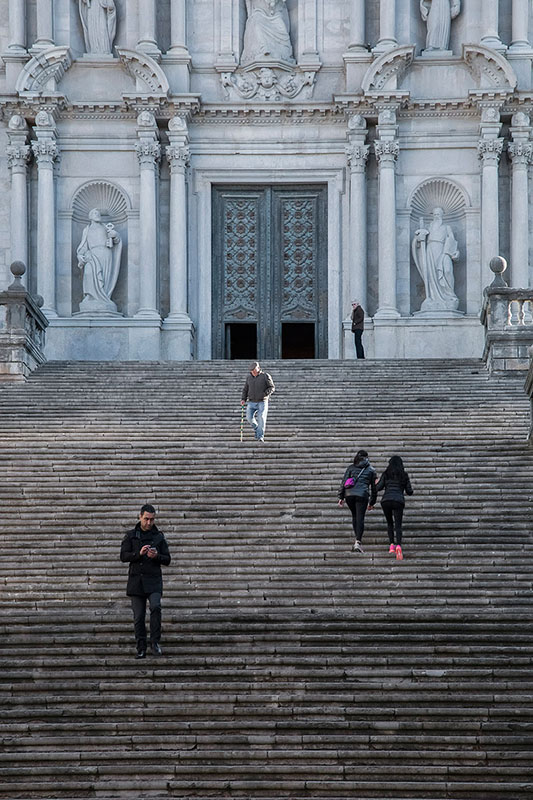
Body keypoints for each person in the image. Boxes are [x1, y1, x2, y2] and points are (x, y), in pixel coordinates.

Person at [120, 504, 171, 659]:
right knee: (138, 616)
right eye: (146, 519)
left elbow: (167, 559)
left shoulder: (159, 536)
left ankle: (155, 643)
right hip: (136, 582)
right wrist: (138, 554)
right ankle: (141, 647)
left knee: (156, 607)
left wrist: (156, 556)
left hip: (154, 581)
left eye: (152, 520)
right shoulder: (130, 535)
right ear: (140, 517)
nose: (149, 523)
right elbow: (123, 556)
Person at [412, 207, 460, 312]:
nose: (436, 216)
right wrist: (420, 238)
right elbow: (419, 242)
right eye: (434, 214)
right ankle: (433, 298)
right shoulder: (429, 227)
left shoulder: (446, 227)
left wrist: (454, 252)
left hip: (443, 251)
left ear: (442, 215)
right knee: (431, 275)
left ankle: (449, 295)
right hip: (430, 251)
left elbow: (451, 240)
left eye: (438, 214)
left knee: (447, 271)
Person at [77, 208, 122, 314]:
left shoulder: (105, 227)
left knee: (104, 278)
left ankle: (104, 296)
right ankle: (90, 297)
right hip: (92, 254)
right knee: (88, 273)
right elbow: (83, 245)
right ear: (90, 216)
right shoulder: (87, 229)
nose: (97, 215)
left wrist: (115, 235)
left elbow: (116, 240)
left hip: (105, 254)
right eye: (94, 213)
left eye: (98, 213)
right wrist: (80, 255)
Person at [338, 449, 377, 553]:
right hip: (362, 495)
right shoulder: (371, 470)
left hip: (349, 495)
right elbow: (374, 488)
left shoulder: (351, 467)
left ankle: (357, 540)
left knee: (355, 516)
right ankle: (358, 542)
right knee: (360, 517)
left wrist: (341, 497)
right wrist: (372, 502)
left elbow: (344, 482)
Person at [376, 455, 414, 561]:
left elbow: (378, 488)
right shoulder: (404, 475)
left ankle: (391, 545)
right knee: (398, 524)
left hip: (386, 500)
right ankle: (398, 546)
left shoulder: (386, 474)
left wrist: (376, 483)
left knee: (389, 523)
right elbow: (409, 492)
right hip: (398, 501)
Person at [241, 0, 295, 66]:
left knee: (282, 28)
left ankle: (285, 54)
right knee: (257, 22)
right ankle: (264, 48)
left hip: (276, 13)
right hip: (259, 12)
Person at [241, 362, 275, 442]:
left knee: (261, 418)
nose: (252, 372)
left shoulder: (265, 376)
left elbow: (272, 387)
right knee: (249, 418)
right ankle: (257, 429)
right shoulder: (249, 378)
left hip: (262, 402)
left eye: (254, 370)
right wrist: (243, 399)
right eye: (251, 370)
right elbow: (245, 389)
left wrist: (264, 394)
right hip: (251, 402)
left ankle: (260, 437)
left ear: (258, 368)